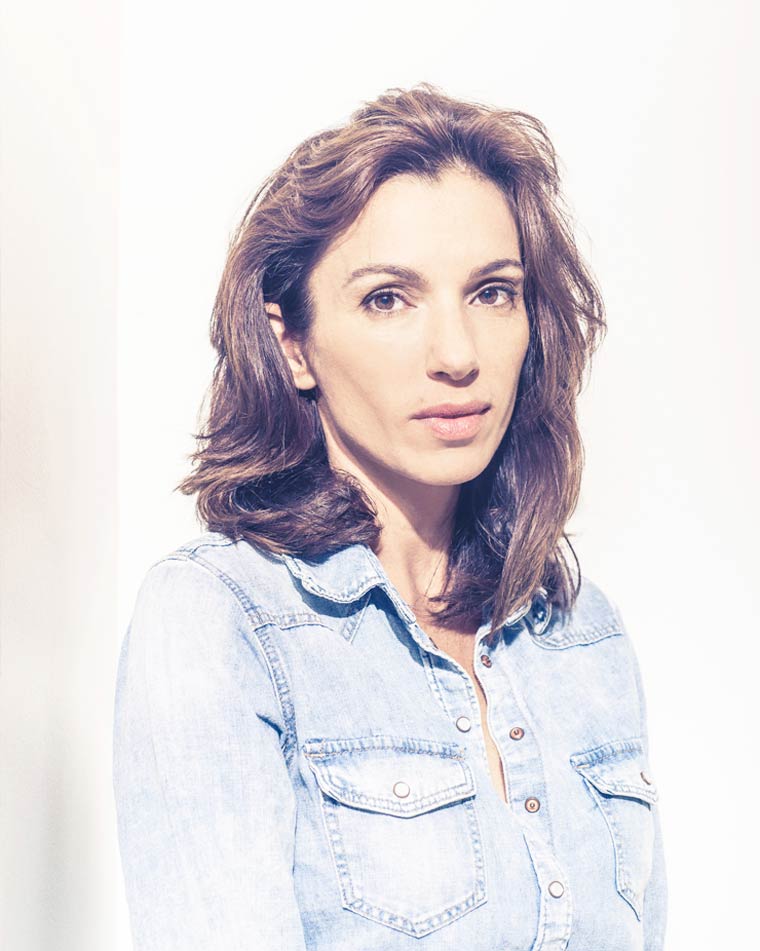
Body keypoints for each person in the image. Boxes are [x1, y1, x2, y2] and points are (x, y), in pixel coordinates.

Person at [112, 82, 668, 950]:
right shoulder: (222, 620)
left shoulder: (581, 634)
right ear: (292, 344)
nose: (457, 354)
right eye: (387, 299)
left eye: (492, 293)